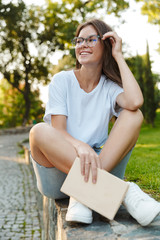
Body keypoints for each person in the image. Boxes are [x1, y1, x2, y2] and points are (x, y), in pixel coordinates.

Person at [29, 19, 160, 226]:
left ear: (105, 46)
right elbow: (58, 131)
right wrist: (80, 146)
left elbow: (135, 101)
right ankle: (125, 193)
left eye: (91, 39)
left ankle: (82, 195)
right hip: (58, 175)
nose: (83, 44)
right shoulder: (61, 81)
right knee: (39, 131)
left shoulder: (109, 87)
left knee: (134, 114)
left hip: (99, 165)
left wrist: (118, 55)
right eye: (79, 40)